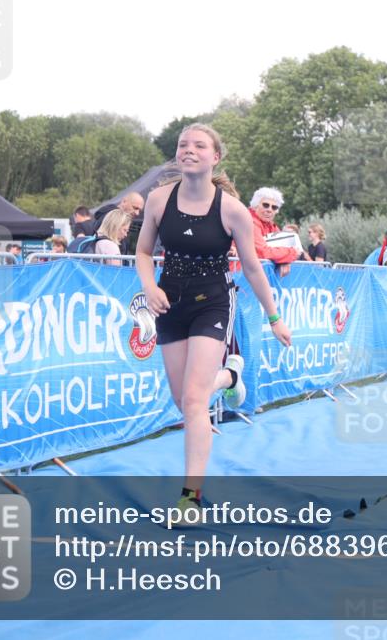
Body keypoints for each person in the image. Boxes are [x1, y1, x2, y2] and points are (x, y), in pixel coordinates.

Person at [135, 123, 291, 520]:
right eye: (183, 144)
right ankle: (230, 378)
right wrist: (149, 286)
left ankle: (191, 498)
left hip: (213, 304)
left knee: (193, 401)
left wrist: (274, 318)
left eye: (199, 145)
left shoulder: (232, 210)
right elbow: (141, 252)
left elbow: (254, 270)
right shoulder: (157, 200)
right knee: (184, 402)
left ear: (215, 157)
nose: (189, 150)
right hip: (171, 305)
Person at [249, 187, 298, 278]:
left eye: (274, 207)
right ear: (255, 205)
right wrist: (292, 253)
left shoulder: (271, 225)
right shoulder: (250, 222)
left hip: (257, 275)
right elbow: (264, 252)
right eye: (266, 205)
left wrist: (285, 260)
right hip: (241, 276)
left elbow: (283, 246)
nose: (269, 209)